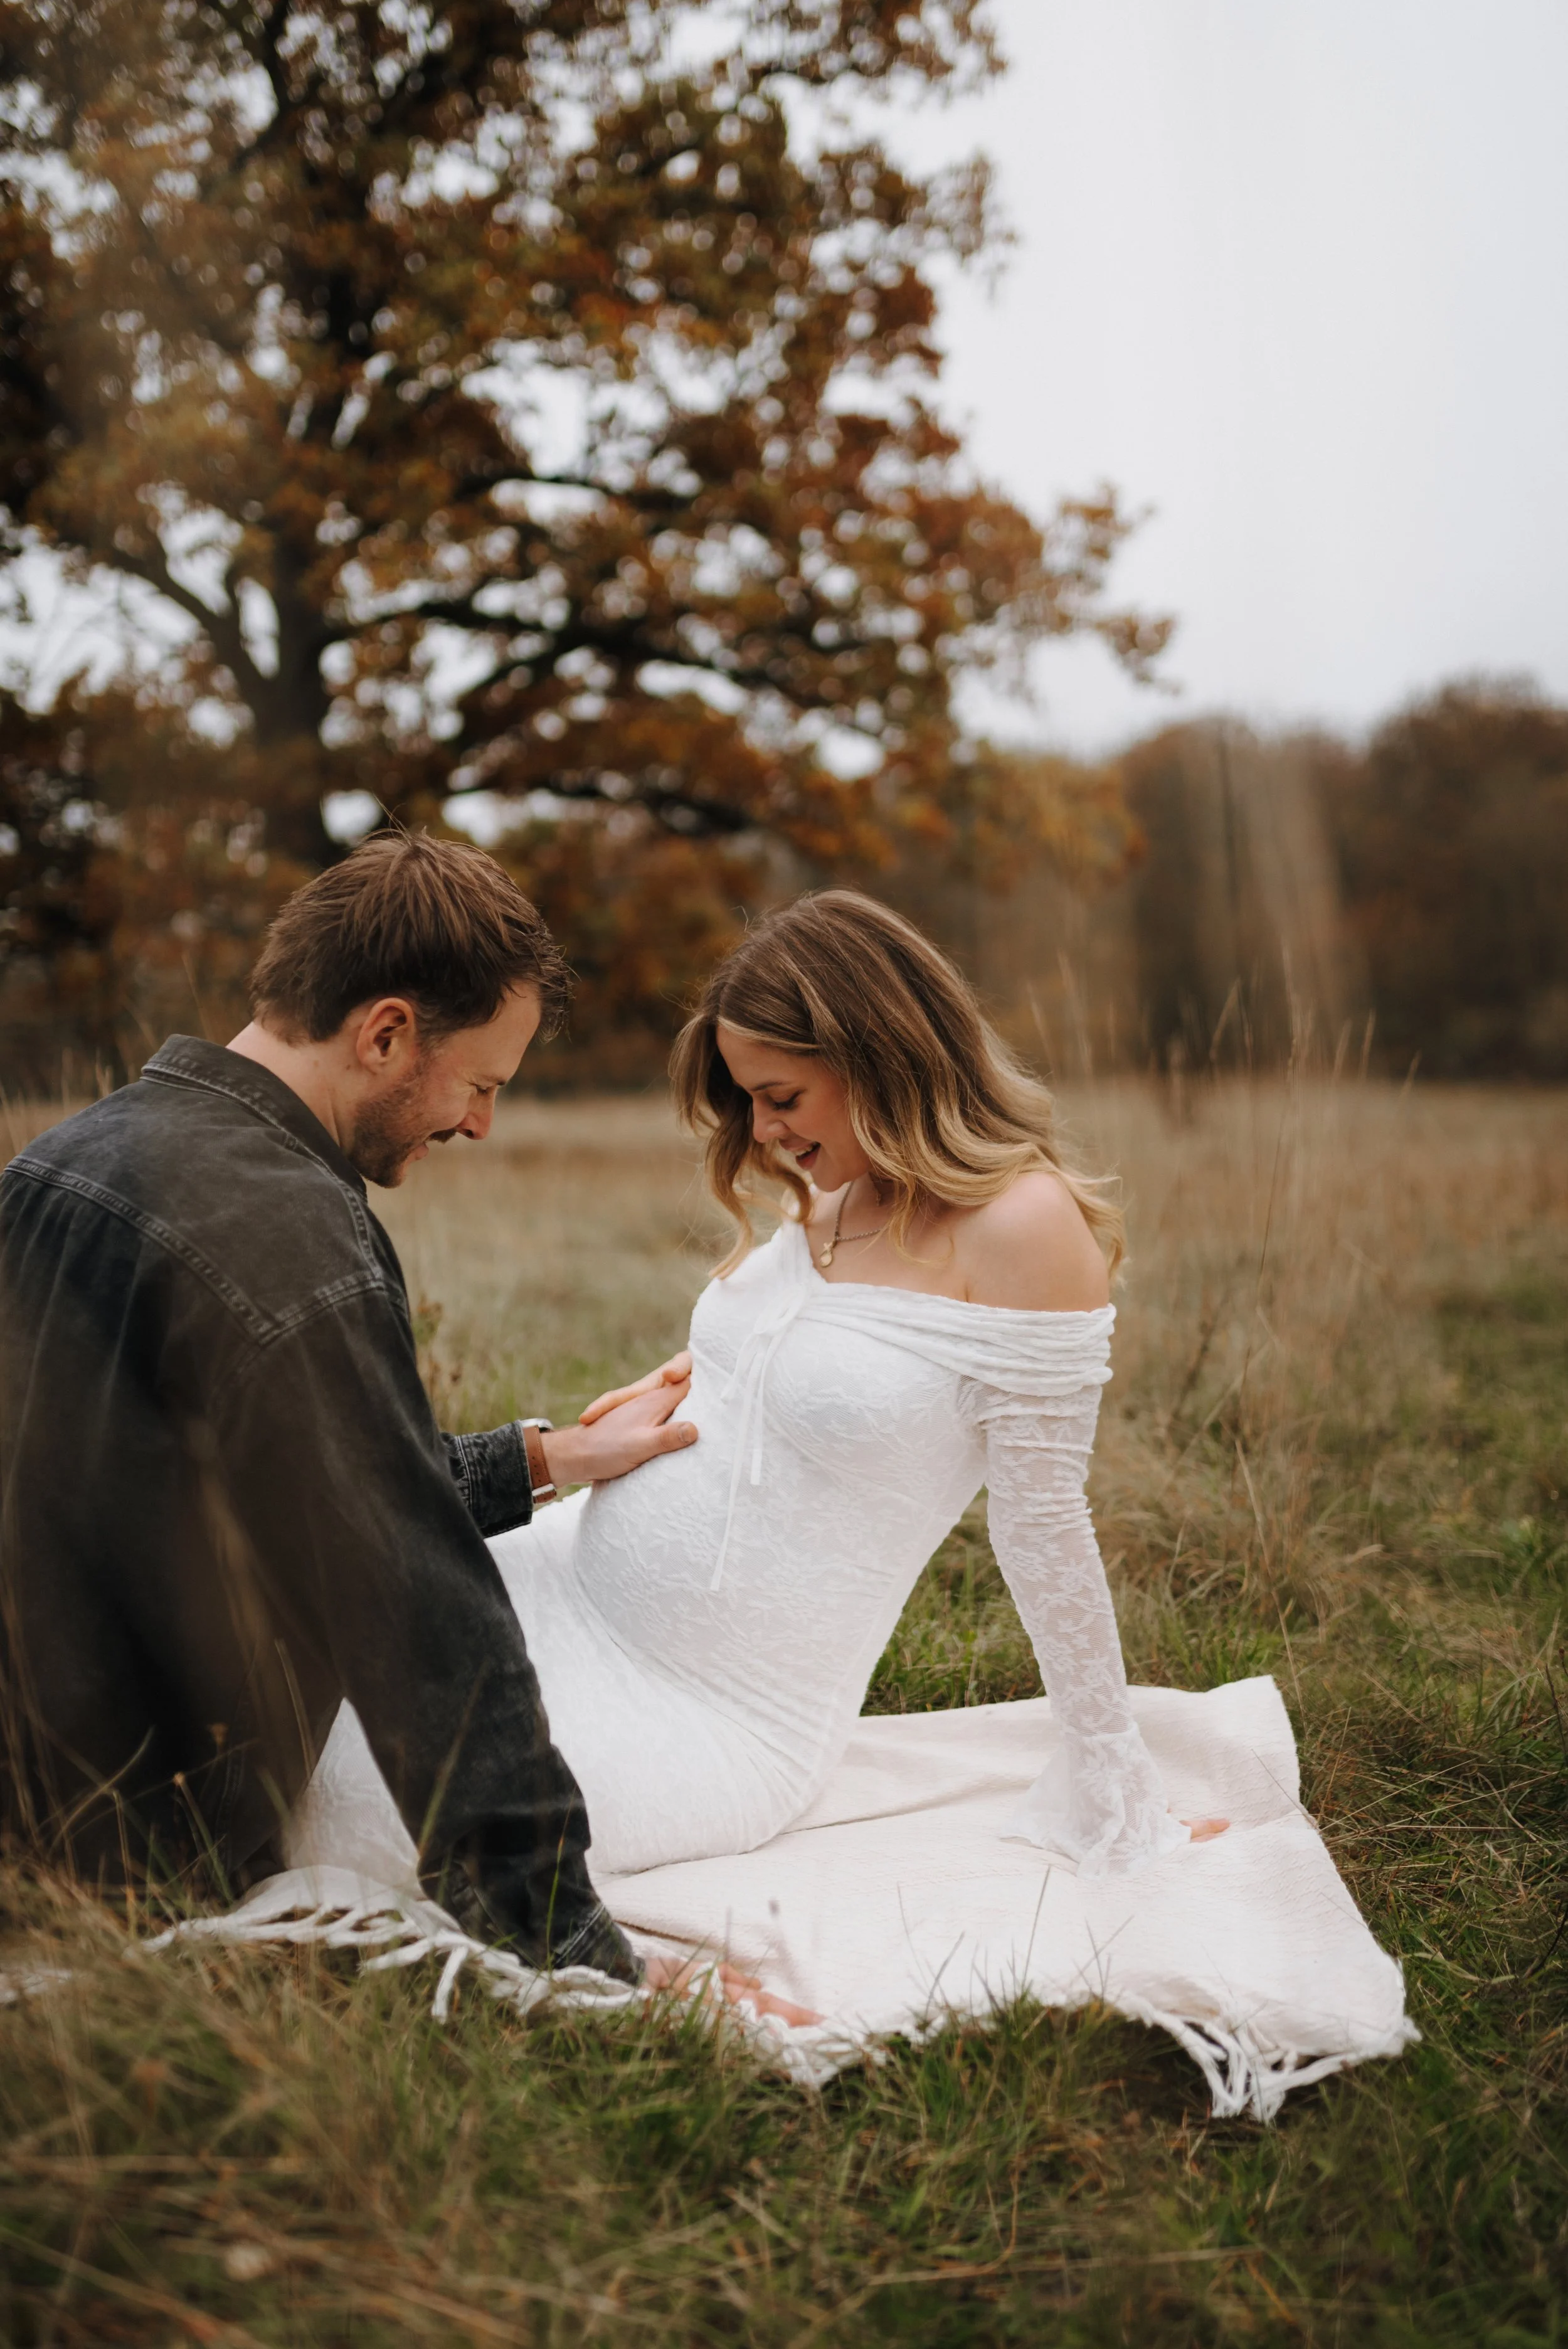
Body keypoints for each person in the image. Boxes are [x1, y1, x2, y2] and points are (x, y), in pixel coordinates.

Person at [292, 891, 1226, 1896]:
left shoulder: (1026, 1232)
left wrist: (1108, 1770)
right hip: (557, 1584)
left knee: (378, 1818)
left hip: (710, 1709)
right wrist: (600, 1441)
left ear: (881, 1055)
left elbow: (1045, 1526)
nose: (765, 1132)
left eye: (782, 1096)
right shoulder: (839, 1189)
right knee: (294, 1692)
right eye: (748, 1101)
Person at [0, 833, 697, 1982]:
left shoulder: (65, 1159)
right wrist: (566, 1950)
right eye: (480, 1084)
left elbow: (228, 1475)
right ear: (385, 1034)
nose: (479, 1124)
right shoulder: (289, 1231)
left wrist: (540, 1457)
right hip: (132, 1852)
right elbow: (420, 1618)